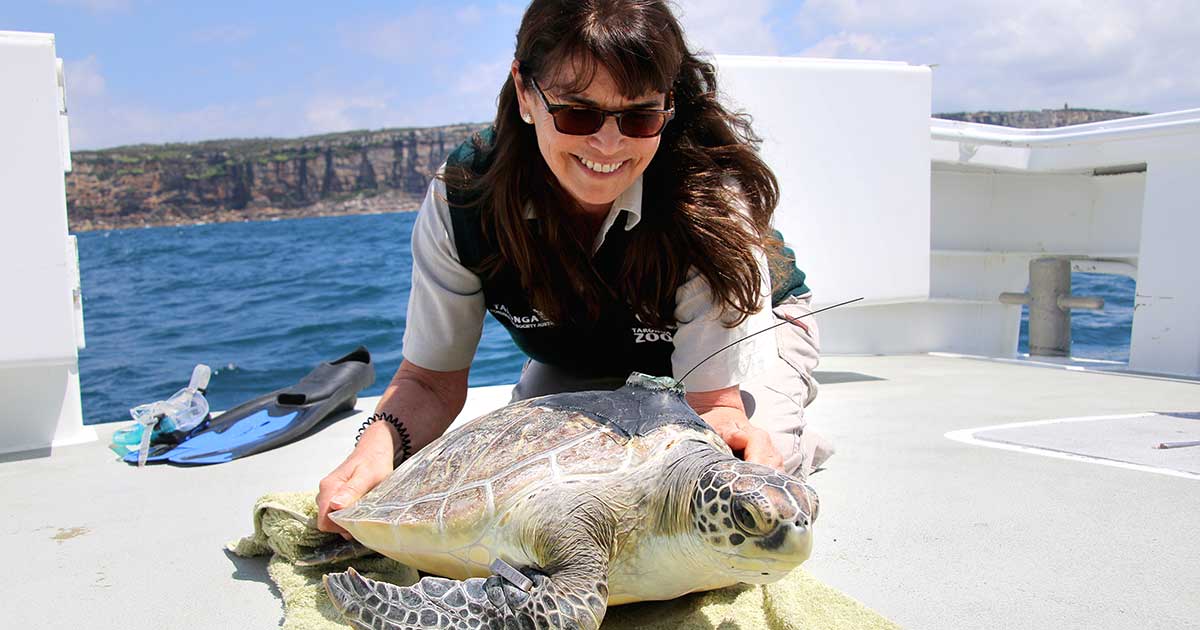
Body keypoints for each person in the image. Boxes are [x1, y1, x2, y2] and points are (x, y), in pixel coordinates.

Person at [317, 0, 826, 538]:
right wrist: (378, 448)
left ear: (668, 105)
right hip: (584, 350)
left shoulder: (709, 199)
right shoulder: (466, 199)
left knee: (733, 498)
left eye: (640, 117)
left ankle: (794, 434)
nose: (609, 145)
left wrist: (731, 429)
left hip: (735, 350)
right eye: (578, 114)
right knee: (523, 493)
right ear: (525, 92)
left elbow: (712, 406)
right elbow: (429, 381)